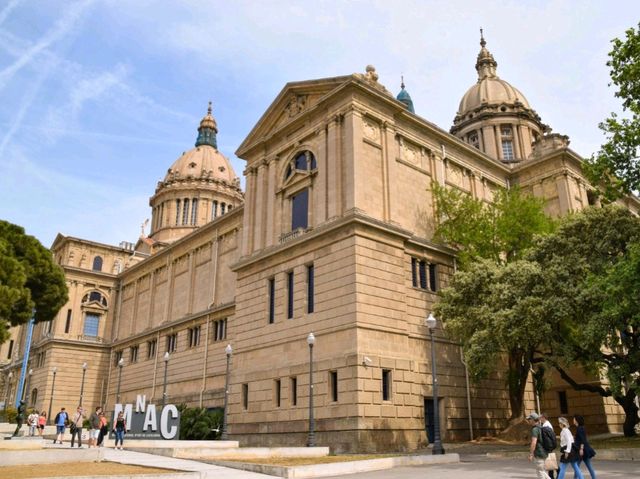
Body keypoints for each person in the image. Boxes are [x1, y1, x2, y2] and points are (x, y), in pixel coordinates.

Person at [526, 412, 551, 479]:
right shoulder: (541, 427)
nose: (529, 421)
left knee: (540, 472)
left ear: (533, 420)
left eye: (530, 419)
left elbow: (534, 442)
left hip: (539, 453)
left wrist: (531, 454)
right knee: (541, 471)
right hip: (544, 452)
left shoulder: (535, 429)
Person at [540, 413, 558, 479]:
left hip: (548, 446)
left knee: (549, 460)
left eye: (541, 417)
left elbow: (548, 437)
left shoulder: (546, 425)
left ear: (544, 418)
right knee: (550, 460)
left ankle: (554, 473)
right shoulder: (546, 424)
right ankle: (552, 474)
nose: (540, 419)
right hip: (550, 445)